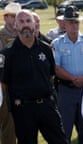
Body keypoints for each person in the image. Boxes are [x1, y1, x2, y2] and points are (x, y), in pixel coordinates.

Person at [0, 9, 68, 144]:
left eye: (28, 21)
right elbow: (4, 84)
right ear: (16, 25)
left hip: (47, 106)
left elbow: (50, 76)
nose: (25, 24)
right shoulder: (7, 54)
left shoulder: (46, 49)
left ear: (34, 24)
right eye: (21, 21)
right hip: (22, 111)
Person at [52, 6, 83, 144]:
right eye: (70, 22)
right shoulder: (57, 43)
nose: (74, 25)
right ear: (64, 24)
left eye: (76, 22)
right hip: (66, 91)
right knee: (64, 129)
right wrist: (72, 78)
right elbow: (56, 68)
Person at [0, 2, 21, 144]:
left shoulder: (24, 35)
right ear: (5, 17)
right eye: (11, 16)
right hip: (4, 85)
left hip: (22, 85)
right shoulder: (1, 36)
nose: (14, 20)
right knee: (8, 125)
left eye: (16, 16)